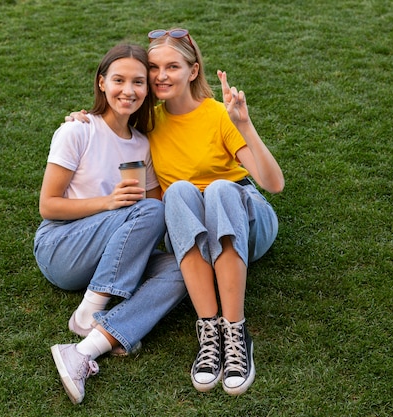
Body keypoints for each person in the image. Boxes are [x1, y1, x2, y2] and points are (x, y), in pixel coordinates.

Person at [69, 29, 284, 395]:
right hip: (191, 228)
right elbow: (112, 123)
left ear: (194, 70)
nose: (161, 75)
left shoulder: (219, 114)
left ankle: (235, 333)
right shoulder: (148, 121)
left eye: (173, 66)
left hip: (244, 216)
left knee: (217, 189)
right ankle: (209, 334)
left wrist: (243, 124)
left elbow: (272, 183)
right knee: (180, 191)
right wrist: (84, 118)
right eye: (154, 67)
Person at [35, 43, 187, 404]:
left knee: (186, 268)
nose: (128, 90)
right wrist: (108, 204)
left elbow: (154, 211)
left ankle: (90, 346)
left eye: (138, 82)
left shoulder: (142, 145)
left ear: (147, 91)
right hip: (61, 247)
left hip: (110, 254)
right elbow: (47, 206)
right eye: (118, 80)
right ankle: (90, 308)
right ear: (101, 83)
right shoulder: (78, 131)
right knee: (149, 209)